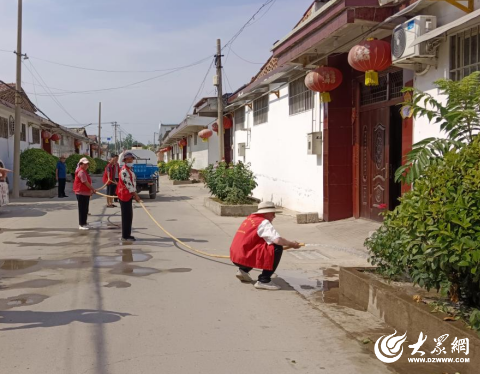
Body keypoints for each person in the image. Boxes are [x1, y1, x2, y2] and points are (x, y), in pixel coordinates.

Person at [230, 201, 301, 290]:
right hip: (244, 256)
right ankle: (264, 280)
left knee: (259, 247)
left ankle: (243, 270)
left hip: (236, 256)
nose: (274, 216)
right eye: (273, 214)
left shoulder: (250, 218)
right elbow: (277, 240)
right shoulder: (263, 223)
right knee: (276, 248)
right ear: (266, 213)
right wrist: (292, 244)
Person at [116, 152, 142, 242]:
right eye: (128, 159)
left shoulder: (129, 170)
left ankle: (128, 234)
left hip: (128, 195)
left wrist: (134, 194)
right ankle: (125, 236)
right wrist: (136, 196)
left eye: (131, 159)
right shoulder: (124, 171)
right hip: (124, 195)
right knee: (126, 216)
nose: (130, 160)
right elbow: (129, 185)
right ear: (125, 160)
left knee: (129, 216)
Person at [73, 157, 96, 230]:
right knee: (82, 209)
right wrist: (92, 189)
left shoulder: (84, 171)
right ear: (80, 164)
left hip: (85, 193)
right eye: (84, 164)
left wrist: (90, 190)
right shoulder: (81, 172)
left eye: (87, 164)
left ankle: (84, 223)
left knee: (85, 209)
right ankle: (81, 224)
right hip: (81, 193)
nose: (86, 166)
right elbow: (85, 182)